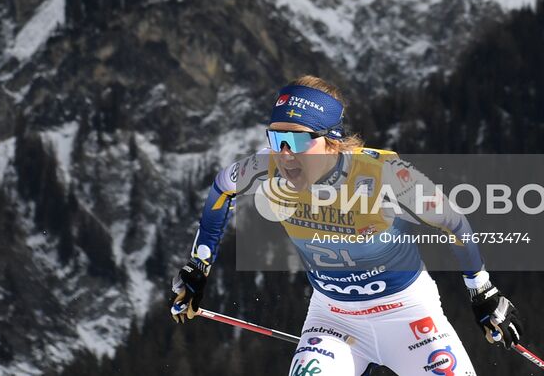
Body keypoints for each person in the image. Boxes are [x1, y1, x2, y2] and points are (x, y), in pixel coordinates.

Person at [170, 75, 522, 376]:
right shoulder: (265, 169)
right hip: (333, 319)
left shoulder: (384, 174)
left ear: (331, 140)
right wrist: (197, 267)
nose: (284, 154)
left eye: (295, 140)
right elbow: (222, 189)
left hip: (409, 315)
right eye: (276, 139)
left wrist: (483, 293)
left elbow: (454, 223)